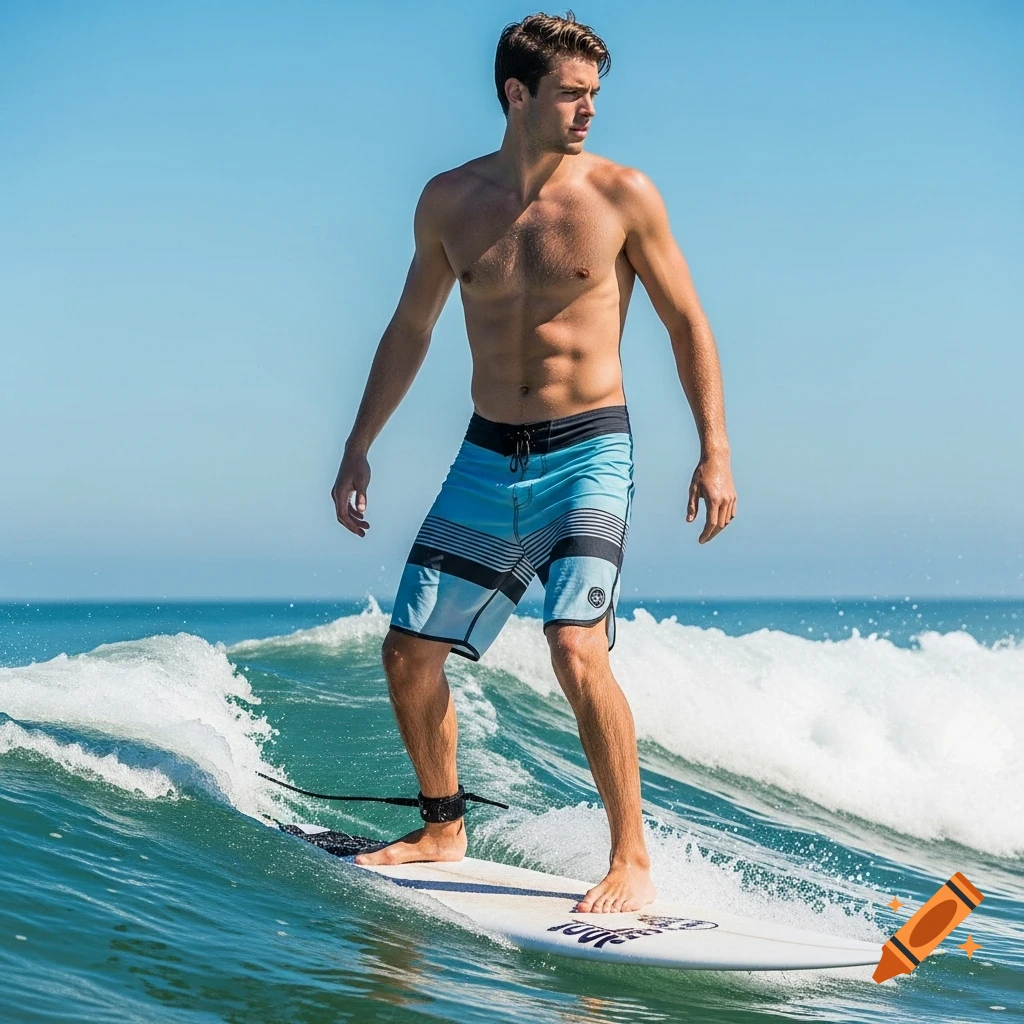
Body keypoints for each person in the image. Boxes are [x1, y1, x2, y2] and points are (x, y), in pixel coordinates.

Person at [332, 12, 736, 914]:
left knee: (574, 646)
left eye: (597, 94)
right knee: (406, 653)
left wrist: (715, 449)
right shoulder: (449, 201)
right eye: (572, 93)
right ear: (517, 94)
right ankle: (443, 824)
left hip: (591, 449)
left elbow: (686, 324)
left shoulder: (622, 195)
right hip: (486, 455)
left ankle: (630, 857)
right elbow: (412, 327)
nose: (590, 109)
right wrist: (360, 443)